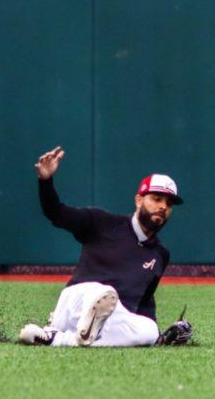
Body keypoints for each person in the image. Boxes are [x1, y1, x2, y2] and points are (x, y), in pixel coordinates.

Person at [17, 146, 193, 347]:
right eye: (157, 199)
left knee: (150, 329)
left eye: (169, 204)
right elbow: (56, 213)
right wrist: (45, 181)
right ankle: (67, 333)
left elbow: (145, 301)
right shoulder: (101, 222)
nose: (163, 206)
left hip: (113, 320)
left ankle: (57, 338)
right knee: (103, 293)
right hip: (78, 301)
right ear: (138, 200)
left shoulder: (160, 254)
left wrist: (158, 336)